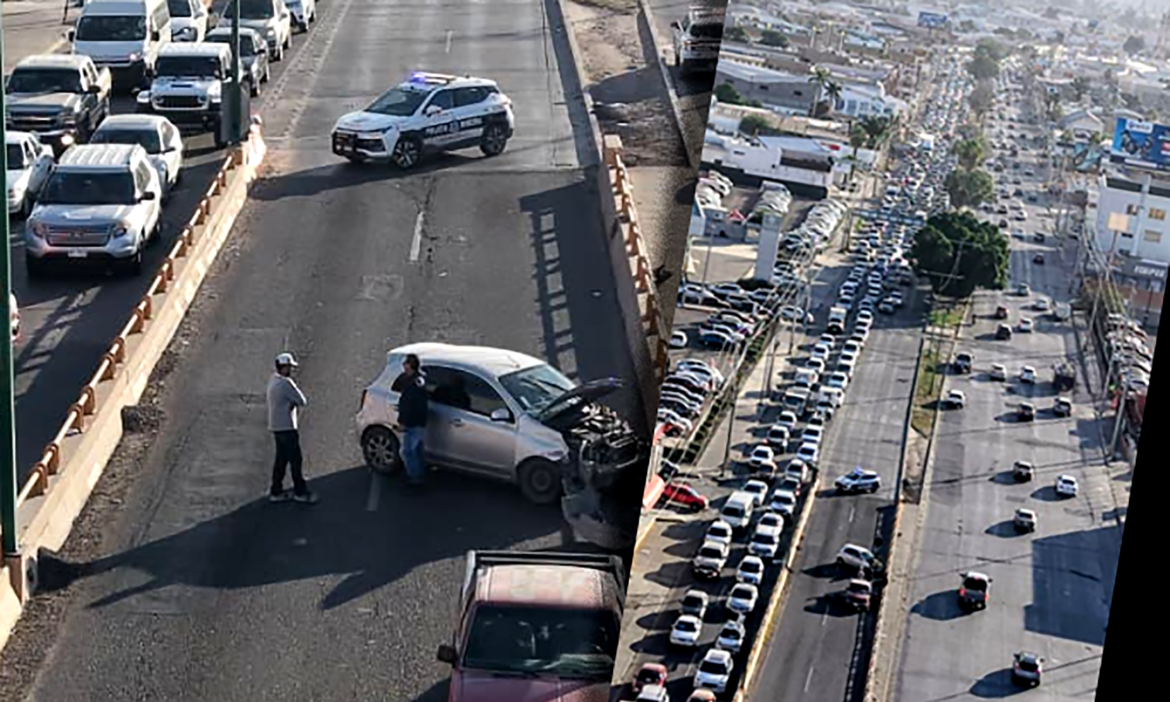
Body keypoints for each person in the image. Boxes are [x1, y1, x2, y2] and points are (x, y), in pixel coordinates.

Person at [266, 352, 318, 504]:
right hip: (287, 427)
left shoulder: (273, 380)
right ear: (284, 367)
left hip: (276, 427)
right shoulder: (286, 383)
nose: (291, 370)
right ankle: (300, 492)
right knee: (296, 460)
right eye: (289, 367)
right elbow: (302, 401)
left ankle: (276, 491)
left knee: (281, 460)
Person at [391, 353, 428, 487]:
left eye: (405, 363)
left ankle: (415, 478)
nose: (403, 365)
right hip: (421, 421)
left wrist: (402, 423)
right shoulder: (420, 379)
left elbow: (407, 404)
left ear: (409, 365)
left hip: (412, 422)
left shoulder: (411, 384)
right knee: (417, 449)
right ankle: (420, 473)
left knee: (407, 451)